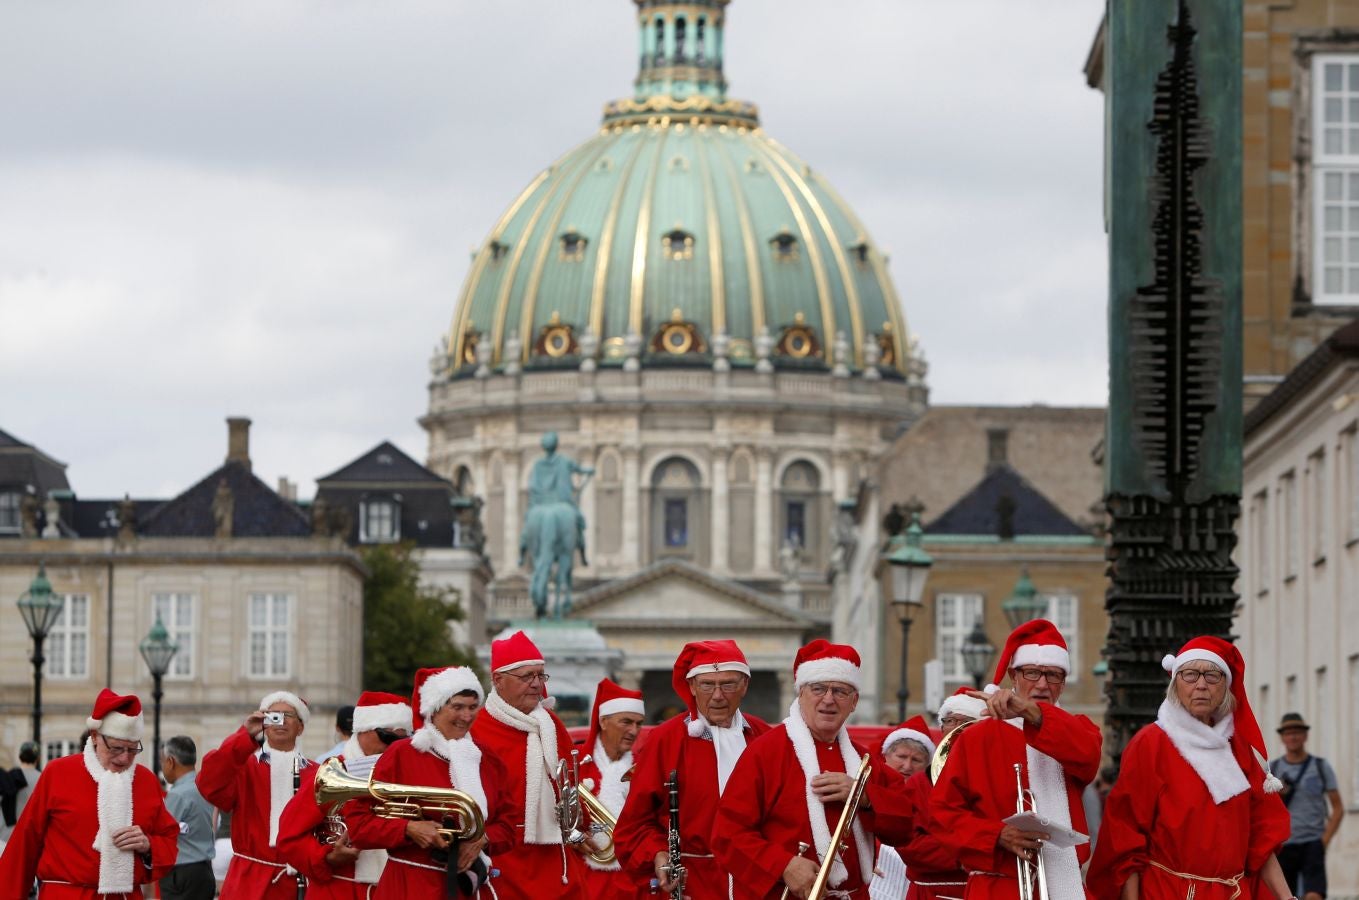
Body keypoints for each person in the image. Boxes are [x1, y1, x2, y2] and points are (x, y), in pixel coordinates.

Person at [1087, 636, 1293, 900]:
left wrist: (1288, 898)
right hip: (1168, 892)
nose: (1201, 685)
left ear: (1226, 686)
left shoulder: (1237, 748)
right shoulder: (1151, 744)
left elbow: (1262, 839)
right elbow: (1126, 839)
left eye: (1212, 675)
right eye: (1190, 674)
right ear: (1176, 684)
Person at [713, 640, 917, 899]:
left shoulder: (864, 760)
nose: (828, 700)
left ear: (854, 701)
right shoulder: (766, 752)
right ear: (801, 694)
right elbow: (728, 834)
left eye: (840, 691)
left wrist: (864, 797)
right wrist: (784, 865)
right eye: (818, 688)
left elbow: (906, 824)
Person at [930, 619, 1101, 900]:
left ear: (1063, 683)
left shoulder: (1079, 729)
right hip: (998, 886)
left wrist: (1031, 713)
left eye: (1053, 675)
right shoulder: (976, 737)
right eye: (1032, 673)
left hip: (1065, 884)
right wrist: (996, 835)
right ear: (1014, 676)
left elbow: (1087, 755)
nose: (1042, 684)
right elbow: (942, 814)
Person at [614, 639, 772, 900]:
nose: (718, 695)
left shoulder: (765, 737)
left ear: (745, 685)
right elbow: (634, 824)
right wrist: (657, 853)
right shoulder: (665, 739)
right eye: (707, 684)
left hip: (757, 885)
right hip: (693, 885)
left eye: (728, 684)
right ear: (692, 687)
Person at [346, 674, 514, 898]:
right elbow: (359, 824)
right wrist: (409, 829)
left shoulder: (487, 758)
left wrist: (483, 838)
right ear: (434, 709)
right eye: (457, 707)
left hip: (468, 888)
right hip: (410, 885)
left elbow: (508, 824)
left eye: (473, 707)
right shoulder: (402, 754)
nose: (467, 716)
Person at [0, 689, 180, 898]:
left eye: (132, 750)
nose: (124, 758)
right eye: (116, 748)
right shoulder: (58, 773)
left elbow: (169, 840)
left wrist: (148, 845)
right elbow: (25, 843)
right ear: (95, 736)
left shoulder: (146, 781)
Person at [469, 630, 588, 898]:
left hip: (555, 858)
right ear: (498, 680)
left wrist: (580, 821)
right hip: (503, 856)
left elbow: (571, 785)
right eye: (527, 677)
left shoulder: (552, 724)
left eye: (540, 676)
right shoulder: (476, 729)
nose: (536, 684)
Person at [277, 691, 412, 899]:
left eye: (402, 739)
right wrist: (327, 858)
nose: (393, 744)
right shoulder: (333, 772)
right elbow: (289, 837)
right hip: (338, 890)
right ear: (363, 730)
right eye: (387, 735)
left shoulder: (408, 772)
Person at [198, 689, 312, 898]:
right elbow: (208, 784)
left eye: (288, 715)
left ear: (301, 727)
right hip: (249, 881)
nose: (281, 721)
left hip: (300, 882)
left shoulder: (316, 772)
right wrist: (245, 734)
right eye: (274, 715)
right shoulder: (243, 766)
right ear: (264, 723)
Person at [900, 688, 988, 900]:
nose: (956, 727)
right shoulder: (919, 783)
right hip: (930, 892)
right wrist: (969, 855)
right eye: (950, 721)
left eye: (966, 722)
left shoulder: (991, 780)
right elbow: (909, 844)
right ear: (941, 728)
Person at [577, 678, 646, 898]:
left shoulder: (645, 766)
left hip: (633, 883)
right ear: (604, 721)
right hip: (584, 882)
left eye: (638, 724)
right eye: (626, 722)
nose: (634, 731)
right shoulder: (575, 765)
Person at [1270, 712, 1344, 900]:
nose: (1293, 737)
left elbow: (1338, 807)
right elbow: (1263, 810)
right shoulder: (1273, 770)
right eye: (1288, 733)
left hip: (1313, 842)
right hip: (1283, 845)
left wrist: (1324, 840)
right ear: (1282, 738)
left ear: (1305, 736)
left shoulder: (1320, 766)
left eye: (1297, 732)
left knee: (1314, 895)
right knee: (1284, 896)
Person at [160, 736, 217, 900]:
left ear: (171, 761)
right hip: (204, 870)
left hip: (181, 873)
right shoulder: (204, 787)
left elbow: (162, 832)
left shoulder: (178, 795)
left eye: (162, 762)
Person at [1, 742, 40, 842]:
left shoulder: (7, 777)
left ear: (20, 757)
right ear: (37, 758)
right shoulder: (43, 778)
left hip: (6, 836)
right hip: (30, 837)